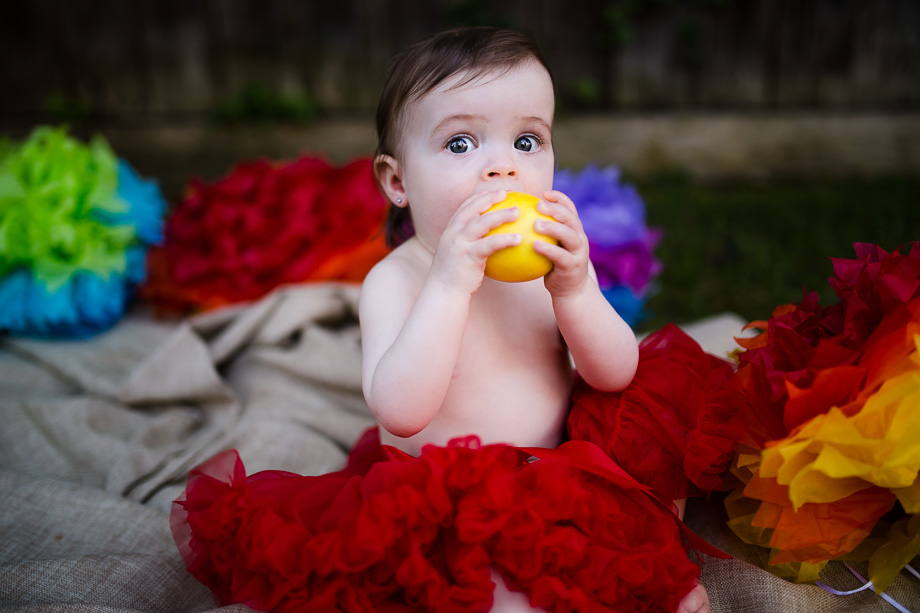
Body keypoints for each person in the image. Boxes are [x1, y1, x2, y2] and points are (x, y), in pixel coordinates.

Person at [172, 27, 718, 613]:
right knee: (495, 592)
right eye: (461, 144)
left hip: (554, 468)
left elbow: (614, 374)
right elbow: (402, 413)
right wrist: (450, 285)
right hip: (443, 493)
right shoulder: (397, 281)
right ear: (398, 181)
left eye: (528, 140)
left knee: (643, 493)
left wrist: (577, 289)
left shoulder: (544, 268)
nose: (502, 168)